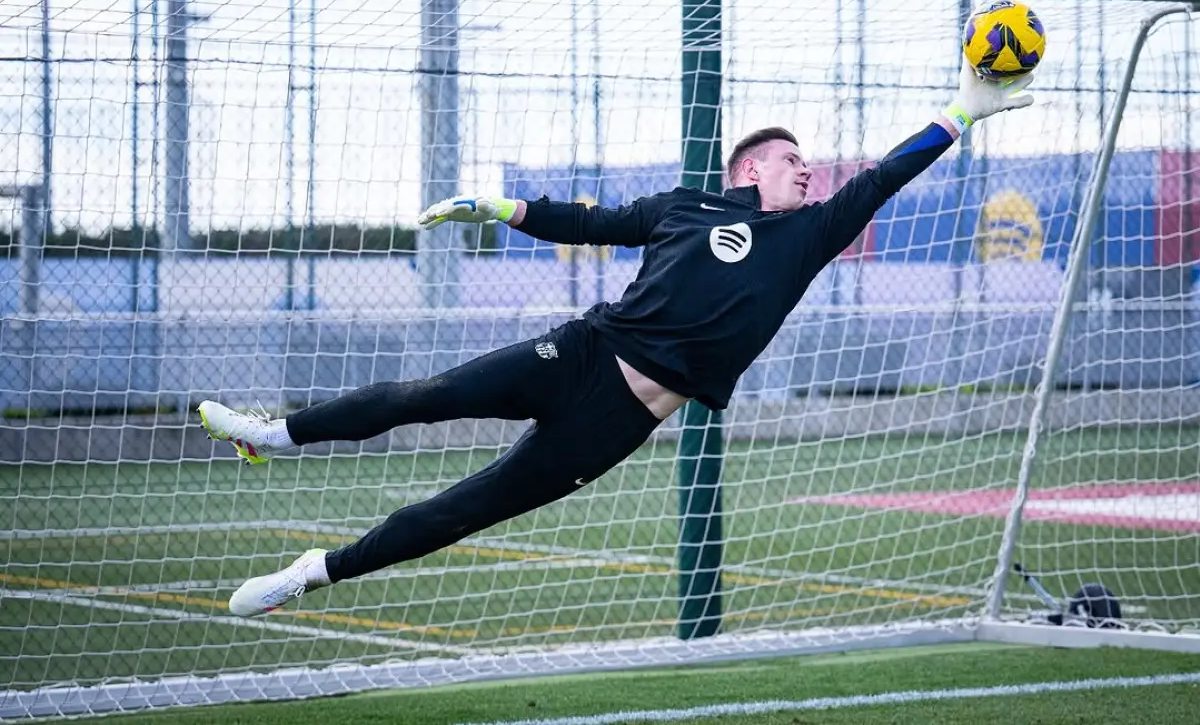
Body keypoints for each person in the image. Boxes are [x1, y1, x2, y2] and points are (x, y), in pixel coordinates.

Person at [198, 59, 1034, 617]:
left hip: (622, 422)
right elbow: (587, 221)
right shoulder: (683, 207)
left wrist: (966, 109)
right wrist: (495, 208)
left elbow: (889, 172)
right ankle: (270, 432)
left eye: (806, 161)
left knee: (463, 510)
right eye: (789, 159)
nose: (805, 168)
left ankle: (313, 571)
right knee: (429, 396)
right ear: (748, 170)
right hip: (583, 354)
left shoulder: (813, 232)